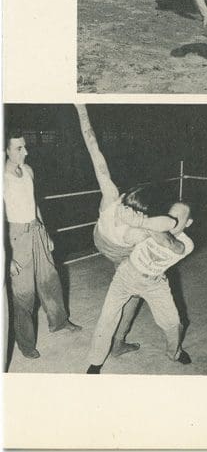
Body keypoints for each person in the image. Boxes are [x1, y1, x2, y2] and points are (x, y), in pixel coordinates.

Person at [74, 104, 179, 358]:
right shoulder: (142, 233)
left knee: (131, 287)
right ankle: (118, 341)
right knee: (134, 292)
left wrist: (81, 109)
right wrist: (145, 223)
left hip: (99, 238)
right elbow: (170, 227)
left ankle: (115, 342)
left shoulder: (111, 197)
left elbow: (94, 148)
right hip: (121, 250)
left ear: (125, 197)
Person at [86, 201, 195, 373]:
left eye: (177, 219)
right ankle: (95, 362)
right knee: (107, 318)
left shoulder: (187, 244)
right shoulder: (154, 224)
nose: (171, 221)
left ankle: (174, 353)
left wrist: (143, 223)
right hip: (126, 275)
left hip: (154, 283)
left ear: (188, 223)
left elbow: (173, 245)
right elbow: (126, 233)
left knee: (173, 323)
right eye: (169, 215)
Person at [3, 132, 81, 360]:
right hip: (14, 236)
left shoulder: (28, 171)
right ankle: (26, 345)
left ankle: (60, 322)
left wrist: (44, 232)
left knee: (50, 280)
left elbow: (33, 203)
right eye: (19, 148)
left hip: (36, 230)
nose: (25, 152)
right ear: (5, 150)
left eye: (24, 147)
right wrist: (6, 257)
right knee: (23, 294)